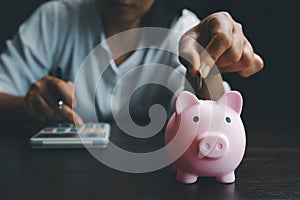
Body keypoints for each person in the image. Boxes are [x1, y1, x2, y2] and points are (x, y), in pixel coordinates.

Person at [0, 0, 263, 127]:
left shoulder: (183, 33)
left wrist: (207, 71)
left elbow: (217, 117)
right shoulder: (54, 18)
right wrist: (26, 106)